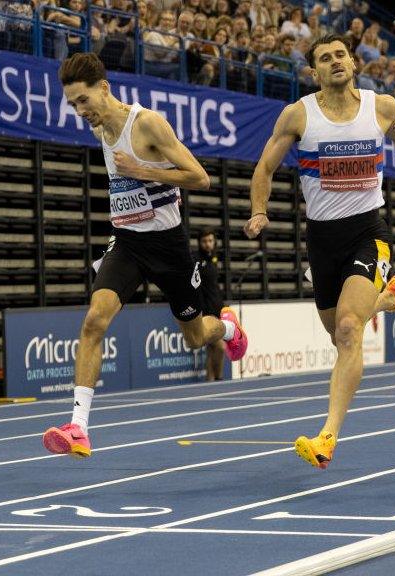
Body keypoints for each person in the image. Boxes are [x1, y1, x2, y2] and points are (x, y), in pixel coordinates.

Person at [246, 34, 395, 469]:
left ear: (353, 62)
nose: (335, 62)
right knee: (337, 332)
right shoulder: (298, 116)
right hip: (322, 239)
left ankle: (327, 436)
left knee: (348, 329)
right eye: (324, 59)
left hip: (369, 231)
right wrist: (258, 210)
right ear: (314, 73)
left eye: (340, 54)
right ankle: (388, 298)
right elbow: (265, 166)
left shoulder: (381, 107)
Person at [42, 53, 248, 459]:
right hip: (128, 242)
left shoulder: (149, 123)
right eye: (73, 106)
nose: (80, 112)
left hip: (169, 245)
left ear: (104, 87)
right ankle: (79, 427)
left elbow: (199, 177)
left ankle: (226, 329)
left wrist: (143, 170)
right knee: (93, 320)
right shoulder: (101, 128)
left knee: (193, 338)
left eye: (84, 101)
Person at [195, 229, 226, 381]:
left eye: (210, 241)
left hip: (217, 309)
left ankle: (210, 381)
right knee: (220, 347)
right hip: (205, 311)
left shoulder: (214, 258)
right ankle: (219, 380)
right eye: (204, 241)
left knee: (211, 349)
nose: (208, 244)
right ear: (199, 243)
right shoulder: (197, 261)